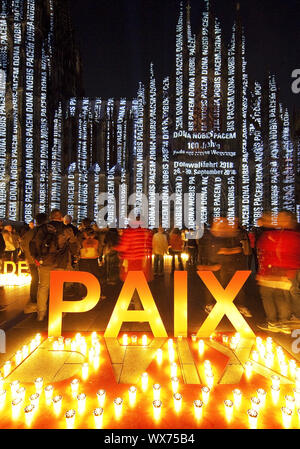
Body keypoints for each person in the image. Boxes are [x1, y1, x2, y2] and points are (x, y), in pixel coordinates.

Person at [30, 209, 79, 321]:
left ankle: (41, 313)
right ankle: (58, 311)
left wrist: (37, 258)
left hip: (45, 262)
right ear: (61, 217)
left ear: (50, 217)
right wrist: (74, 256)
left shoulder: (42, 228)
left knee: (43, 287)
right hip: (60, 262)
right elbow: (73, 245)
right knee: (58, 287)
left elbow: (34, 243)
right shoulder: (67, 229)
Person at [197, 217, 252, 317]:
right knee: (214, 286)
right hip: (216, 266)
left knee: (233, 287)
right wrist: (205, 265)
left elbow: (239, 250)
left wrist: (229, 251)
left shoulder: (233, 235)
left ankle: (238, 306)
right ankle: (211, 305)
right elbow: (206, 251)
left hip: (230, 266)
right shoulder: (209, 236)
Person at [256, 211, 300, 333]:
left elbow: (288, 253)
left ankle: (277, 322)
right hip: (280, 270)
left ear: (288, 219)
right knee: (280, 295)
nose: (278, 220)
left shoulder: (289, 234)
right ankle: (283, 322)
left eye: (281, 218)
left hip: (282, 270)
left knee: (271, 295)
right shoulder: (284, 232)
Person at [22, 213, 48, 314]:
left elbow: (23, 245)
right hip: (43, 261)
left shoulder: (29, 233)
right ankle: (43, 303)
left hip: (32, 260)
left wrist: (29, 256)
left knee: (34, 280)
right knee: (44, 283)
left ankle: (33, 300)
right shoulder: (44, 232)